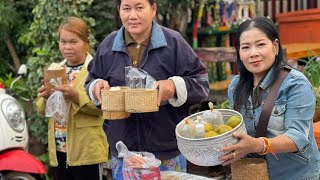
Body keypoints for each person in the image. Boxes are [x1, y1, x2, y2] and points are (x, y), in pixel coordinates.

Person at [85, 0, 209, 178]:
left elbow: (201, 83)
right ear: (119, 10)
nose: (132, 15)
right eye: (126, 8)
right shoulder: (108, 46)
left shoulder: (173, 43)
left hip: (167, 152)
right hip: (124, 153)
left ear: (153, 9)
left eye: (139, 7)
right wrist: (96, 87)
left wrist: (174, 86)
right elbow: (91, 80)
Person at [219, 16, 320, 180]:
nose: (253, 53)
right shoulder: (236, 86)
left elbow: (298, 137)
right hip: (253, 174)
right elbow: (236, 128)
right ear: (239, 52)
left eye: (260, 45)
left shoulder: (295, 84)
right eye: (245, 47)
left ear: (275, 46)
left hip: (295, 175)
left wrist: (259, 145)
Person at [36, 16, 109, 180]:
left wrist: (76, 96)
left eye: (73, 42)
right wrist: (46, 97)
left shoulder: (96, 70)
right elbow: (42, 110)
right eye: (63, 41)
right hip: (59, 150)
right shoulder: (56, 69)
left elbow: (104, 106)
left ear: (86, 42)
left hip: (87, 151)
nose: (67, 47)